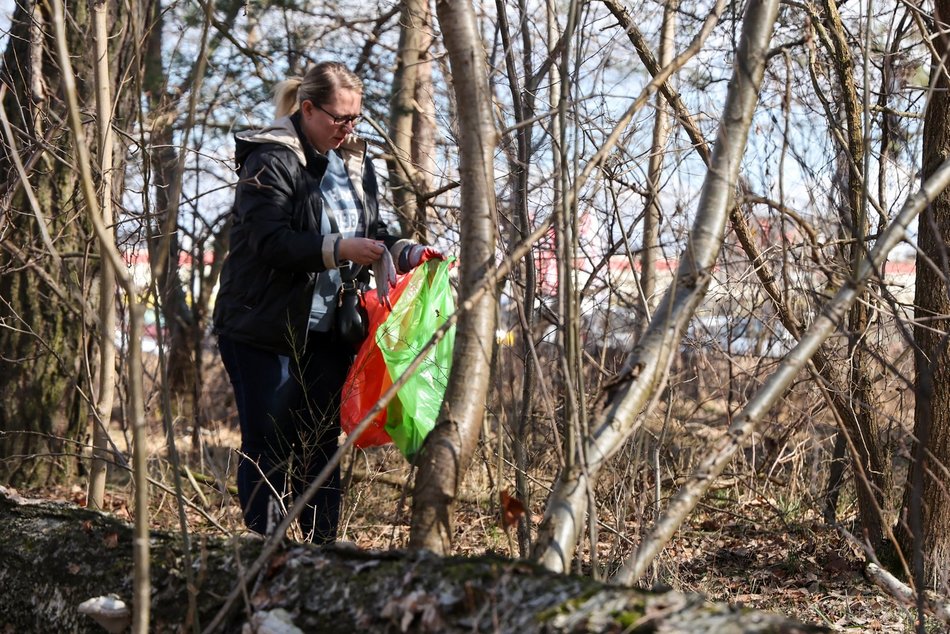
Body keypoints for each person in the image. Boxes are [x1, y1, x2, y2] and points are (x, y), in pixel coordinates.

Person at [213, 61, 439, 543]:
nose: (348, 129)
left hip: (331, 329)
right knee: (268, 441)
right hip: (262, 328)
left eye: (355, 118)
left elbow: (373, 231)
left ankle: (323, 550)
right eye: (339, 118)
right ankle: (265, 548)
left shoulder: (355, 161)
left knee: (319, 441)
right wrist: (339, 249)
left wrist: (408, 250)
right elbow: (269, 241)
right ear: (308, 108)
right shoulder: (271, 159)